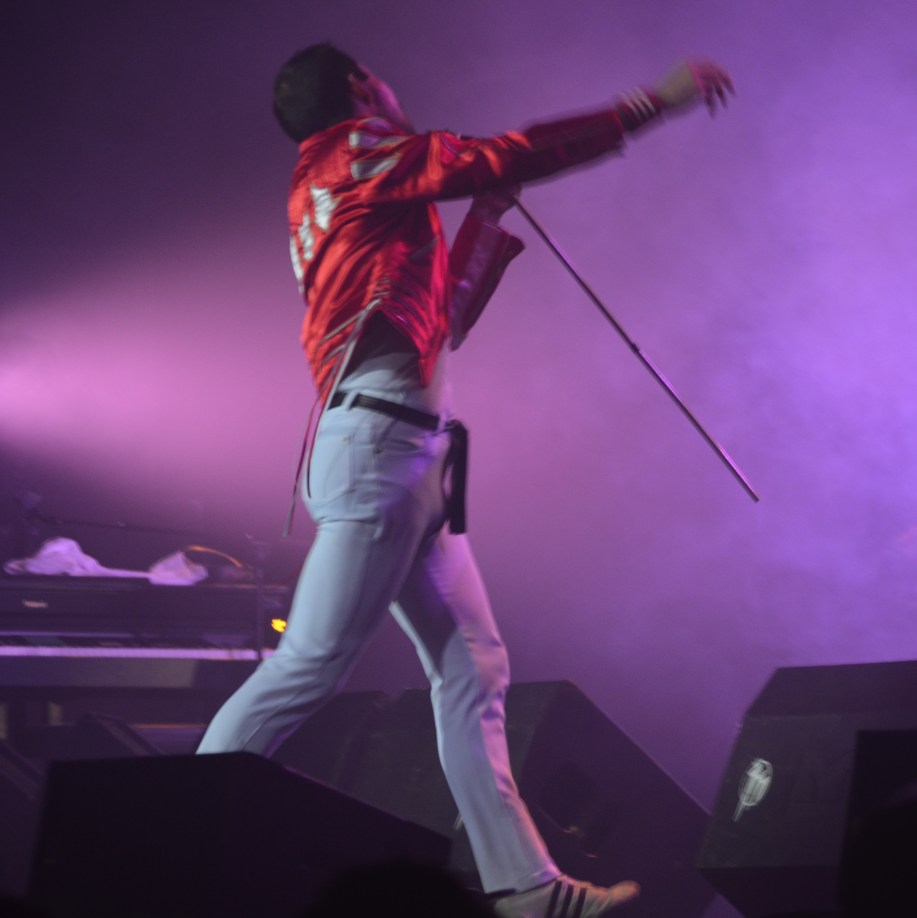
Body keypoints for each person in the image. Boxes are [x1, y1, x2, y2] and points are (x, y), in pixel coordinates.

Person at [197, 42, 733, 917]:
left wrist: (485, 214)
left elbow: (440, 315)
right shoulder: (359, 150)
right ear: (362, 88)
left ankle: (527, 889)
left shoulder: (338, 178)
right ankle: (177, 838)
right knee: (310, 664)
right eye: (379, 78)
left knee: (472, 665)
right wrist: (650, 102)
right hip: (381, 450)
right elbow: (502, 150)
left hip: (403, 452)